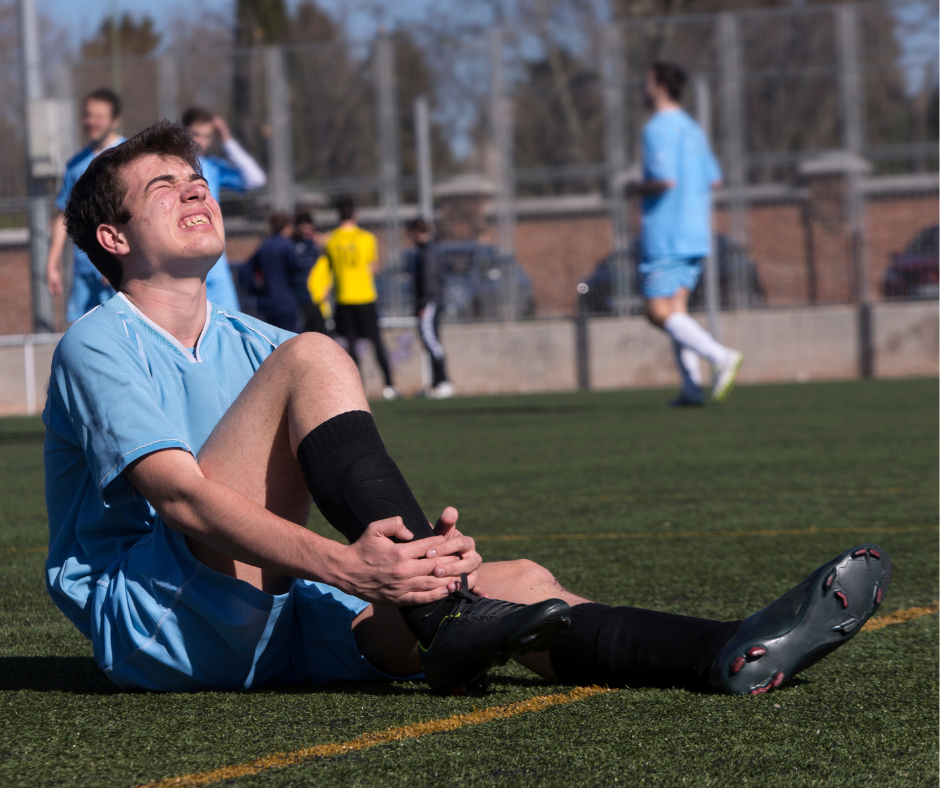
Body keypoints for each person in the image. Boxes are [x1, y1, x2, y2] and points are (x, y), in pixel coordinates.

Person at [45, 121, 891, 700]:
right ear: (113, 239)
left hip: (278, 619)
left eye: (199, 179)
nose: (196, 191)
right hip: (160, 622)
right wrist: (353, 569)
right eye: (164, 186)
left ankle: (722, 652)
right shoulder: (98, 342)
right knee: (316, 355)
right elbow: (184, 499)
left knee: (520, 587)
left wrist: (423, 562)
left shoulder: (253, 339)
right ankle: (440, 610)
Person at [629, 62, 743, 406]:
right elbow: (714, 179)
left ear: (660, 87)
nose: (643, 88)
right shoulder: (693, 129)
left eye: (647, 82)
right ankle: (692, 389)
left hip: (667, 232)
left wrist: (633, 188)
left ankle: (721, 356)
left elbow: (665, 180)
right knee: (676, 309)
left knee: (656, 311)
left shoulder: (657, 128)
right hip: (695, 231)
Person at [46, 88, 125, 324]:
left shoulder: (129, 156)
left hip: (123, 269)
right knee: (81, 337)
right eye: (87, 115)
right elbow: (64, 216)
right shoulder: (74, 165)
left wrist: (114, 258)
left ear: (114, 120)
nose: (91, 122)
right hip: (84, 272)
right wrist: (52, 264)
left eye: (98, 116)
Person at [183, 106, 267, 312]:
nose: (200, 141)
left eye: (207, 136)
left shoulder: (212, 166)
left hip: (215, 264)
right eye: (195, 134)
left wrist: (227, 141)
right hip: (183, 261)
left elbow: (256, 179)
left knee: (230, 324)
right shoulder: (171, 166)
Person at [323, 195, 398, 400]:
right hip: (366, 297)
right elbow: (373, 267)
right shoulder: (367, 238)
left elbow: (327, 269)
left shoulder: (331, 240)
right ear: (355, 215)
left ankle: (358, 390)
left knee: (351, 345)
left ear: (338, 215)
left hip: (343, 299)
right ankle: (390, 386)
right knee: (376, 341)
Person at [406, 217, 454, 399]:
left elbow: (429, 280)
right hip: (432, 301)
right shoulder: (428, 250)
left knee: (431, 340)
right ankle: (436, 383)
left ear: (415, 232)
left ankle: (443, 382)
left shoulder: (428, 252)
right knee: (431, 340)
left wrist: (423, 303)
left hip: (430, 302)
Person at [245, 212, 306, 331]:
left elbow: (246, 269)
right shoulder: (287, 246)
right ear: (287, 226)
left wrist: (255, 289)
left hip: (268, 303)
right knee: (290, 340)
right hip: (286, 302)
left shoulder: (264, 246)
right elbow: (299, 269)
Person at [293, 211, 330, 335]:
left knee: (321, 333)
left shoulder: (316, 246)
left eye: (309, 227)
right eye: (303, 226)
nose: (307, 230)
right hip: (301, 297)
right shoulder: (293, 245)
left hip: (316, 297)